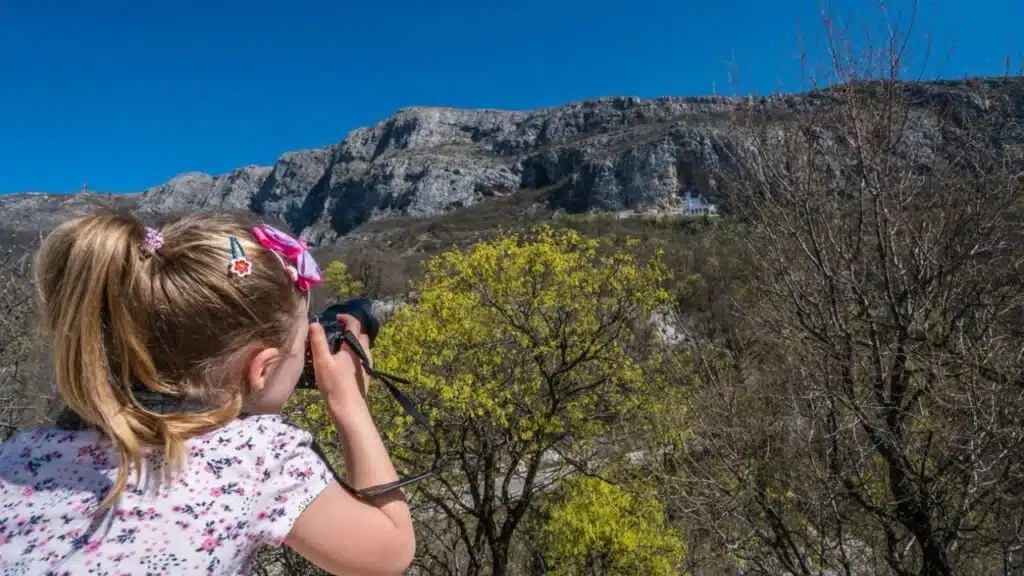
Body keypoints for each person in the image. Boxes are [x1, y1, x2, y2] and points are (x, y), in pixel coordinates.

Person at [0, 212, 415, 575]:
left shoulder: (21, 453)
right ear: (263, 368)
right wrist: (349, 401)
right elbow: (388, 553)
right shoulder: (257, 454)